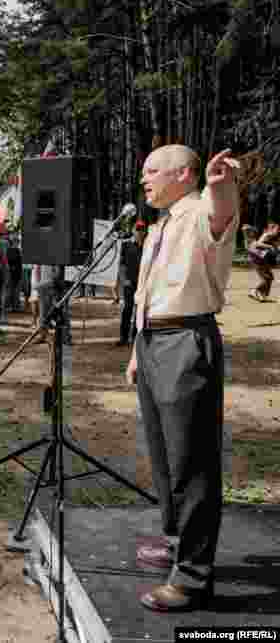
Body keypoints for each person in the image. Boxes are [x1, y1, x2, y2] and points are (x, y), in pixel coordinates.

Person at [125, 145, 240, 613]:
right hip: (153, 341)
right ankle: (177, 542)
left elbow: (221, 214)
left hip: (186, 340)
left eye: (153, 170)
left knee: (192, 462)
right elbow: (146, 292)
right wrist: (138, 348)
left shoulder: (200, 210)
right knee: (165, 456)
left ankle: (192, 577)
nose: (145, 179)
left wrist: (221, 186)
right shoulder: (161, 224)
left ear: (185, 175)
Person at [115, 222, 146, 346]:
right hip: (129, 283)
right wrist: (124, 280)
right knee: (127, 309)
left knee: (139, 311)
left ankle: (135, 338)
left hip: (142, 283)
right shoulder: (126, 245)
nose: (139, 232)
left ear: (145, 232)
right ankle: (123, 337)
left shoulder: (147, 246)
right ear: (133, 230)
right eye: (137, 229)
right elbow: (121, 265)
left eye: (142, 229)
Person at [245, 221, 279, 301]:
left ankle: (264, 295)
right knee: (266, 278)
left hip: (262, 259)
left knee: (270, 277)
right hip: (257, 259)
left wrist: (275, 248)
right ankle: (254, 291)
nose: (278, 231)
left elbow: (275, 248)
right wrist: (270, 247)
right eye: (276, 229)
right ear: (270, 229)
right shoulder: (266, 235)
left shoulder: (272, 237)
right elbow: (257, 244)